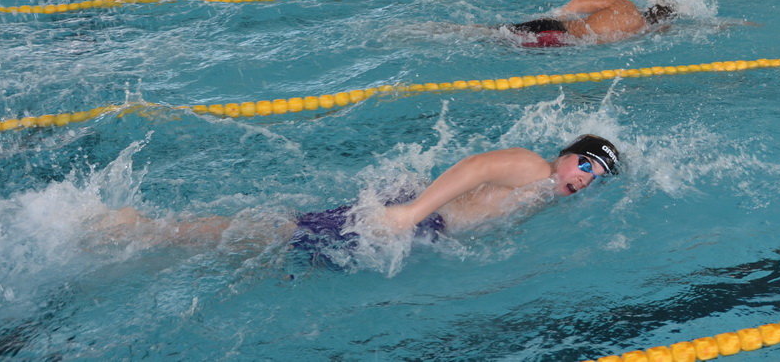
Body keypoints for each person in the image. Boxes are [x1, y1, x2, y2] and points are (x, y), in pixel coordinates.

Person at [96, 135, 619, 252]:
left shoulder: (542, 189)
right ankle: (142, 230)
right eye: (586, 163)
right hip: (415, 218)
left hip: (424, 220)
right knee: (282, 235)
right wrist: (409, 213)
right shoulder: (531, 167)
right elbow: (477, 167)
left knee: (286, 240)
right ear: (565, 153)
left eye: (595, 177)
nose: (584, 177)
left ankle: (156, 232)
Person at [499, 0, 676, 47]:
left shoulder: (625, 5)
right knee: (498, 43)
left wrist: (558, 16)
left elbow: (577, 2)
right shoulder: (640, 32)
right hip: (561, 42)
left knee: (494, 33)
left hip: (556, 27)